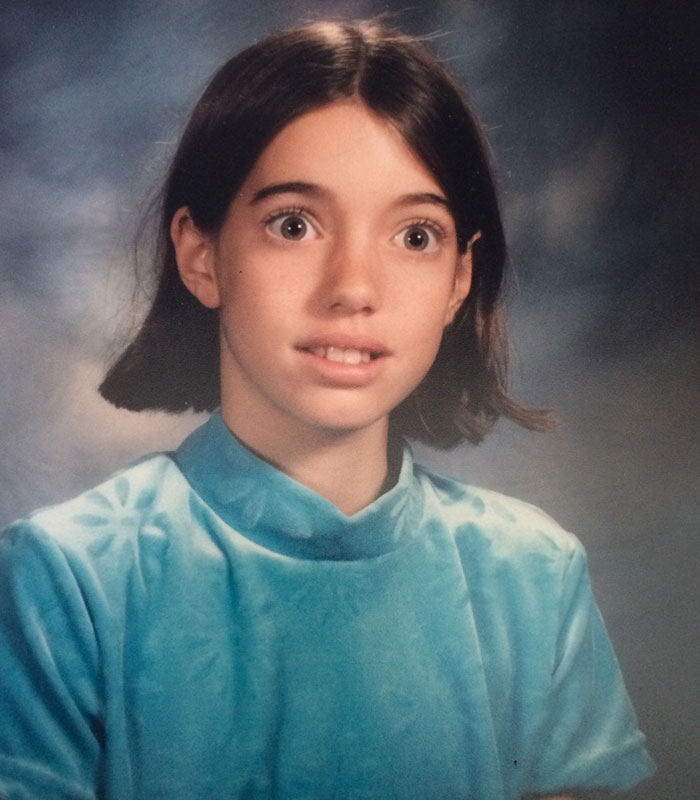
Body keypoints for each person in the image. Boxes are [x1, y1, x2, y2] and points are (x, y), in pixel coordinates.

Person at [0, 19, 654, 800]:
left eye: (416, 235)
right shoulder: (67, 580)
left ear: (459, 279)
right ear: (200, 254)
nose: (354, 288)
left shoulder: (531, 576)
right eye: (294, 225)